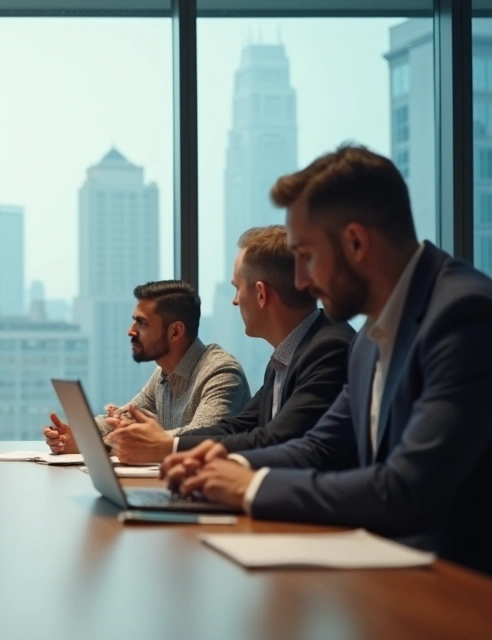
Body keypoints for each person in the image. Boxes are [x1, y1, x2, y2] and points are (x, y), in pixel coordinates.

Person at [163, 144, 492, 575]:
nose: (300, 281)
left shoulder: (463, 315)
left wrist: (252, 487)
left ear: (355, 242)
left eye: (306, 256)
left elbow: (407, 489)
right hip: (388, 575)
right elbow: (319, 445)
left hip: (459, 587)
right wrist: (226, 466)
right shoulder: (369, 339)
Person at [96, 226, 354, 463]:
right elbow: (238, 426)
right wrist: (162, 442)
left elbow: (277, 439)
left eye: (237, 288)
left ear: (261, 294)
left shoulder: (328, 349)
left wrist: (166, 446)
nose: (235, 301)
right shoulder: (287, 356)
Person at [44, 280, 250, 454]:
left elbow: (199, 438)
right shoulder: (163, 374)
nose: (130, 331)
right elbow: (122, 418)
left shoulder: (222, 374)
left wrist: (103, 444)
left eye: (142, 323)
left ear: (175, 331)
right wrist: (77, 434)